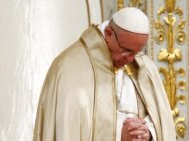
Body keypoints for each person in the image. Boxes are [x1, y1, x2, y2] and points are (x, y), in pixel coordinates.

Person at [33, 7, 176, 141]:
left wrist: (148, 132)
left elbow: (161, 120)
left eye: (136, 52)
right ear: (108, 34)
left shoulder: (143, 65)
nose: (130, 59)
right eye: (126, 50)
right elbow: (70, 127)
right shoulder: (70, 67)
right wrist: (118, 134)